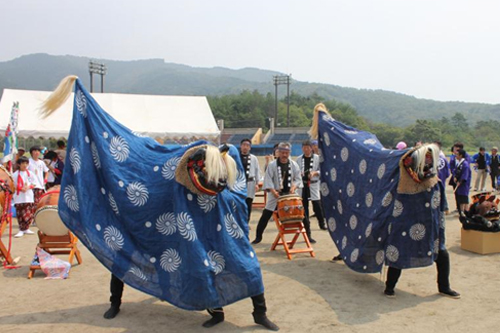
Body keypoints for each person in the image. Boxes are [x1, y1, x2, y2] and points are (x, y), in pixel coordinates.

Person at [384, 182, 460, 299]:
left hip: (429, 226)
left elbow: (440, 204)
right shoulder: (401, 184)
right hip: (405, 226)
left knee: (442, 255)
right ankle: (389, 287)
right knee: (399, 253)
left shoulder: (435, 182)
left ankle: (444, 287)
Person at [252, 142, 302, 244]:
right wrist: (273, 191)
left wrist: (294, 186)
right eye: (282, 152)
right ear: (278, 152)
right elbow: (268, 179)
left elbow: (298, 179)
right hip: (275, 194)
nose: (284, 155)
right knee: (266, 215)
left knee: (300, 212)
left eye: (286, 152)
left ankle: (308, 235)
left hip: (289, 193)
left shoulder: (294, 165)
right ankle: (258, 236)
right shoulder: (272, 165)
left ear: (289, 153)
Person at [296, 140, 325, 241]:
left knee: (317, 204)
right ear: (302, 148)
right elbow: (296, 171)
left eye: (308, 147)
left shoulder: (317, 158)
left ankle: (321, 223)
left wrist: (315, 173)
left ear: (311, 148)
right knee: (305, 209)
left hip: (313, 184)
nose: (306, 149)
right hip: (302, 186)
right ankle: (308, 233)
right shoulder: (299, 159)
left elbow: (323, 170)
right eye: (304, 147)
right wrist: (300, 174)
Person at [13, 156, 36, 238]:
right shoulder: (15, 175)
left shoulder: (30, 173)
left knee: (28, 213)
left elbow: (34, 183)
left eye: (26, 163)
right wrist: (20, 188)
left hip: (28, 196)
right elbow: (13, 186)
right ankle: (21, 229)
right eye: (23, 163)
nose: (25, 165)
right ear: (19, 164)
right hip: (19, 197)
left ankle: (26, 228)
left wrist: (28, 187)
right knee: (20, 213)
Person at [239, 139, 261, 223]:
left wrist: (257, 183)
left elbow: (257, 171)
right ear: (241, 146)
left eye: (247, 145)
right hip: (239, 184)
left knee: (248, 203)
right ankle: (239, 221)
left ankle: (246, 222)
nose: (245, 147)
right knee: (239, 203)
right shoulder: (236, 157)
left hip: (250, 183)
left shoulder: (253, 158)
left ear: (250, 147)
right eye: (244, 145)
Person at [453, 149, 472, 215]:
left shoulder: (465, 164)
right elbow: (455, 171)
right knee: (460, 197)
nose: (456, 156)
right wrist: (455, 177)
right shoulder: (459, 163)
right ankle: (461, 211)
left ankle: (464, 211)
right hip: (460, 184)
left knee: (464, 198)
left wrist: (460, 181)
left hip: (464, 184)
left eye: (457, 155)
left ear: (461, 155)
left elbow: (465, 174)